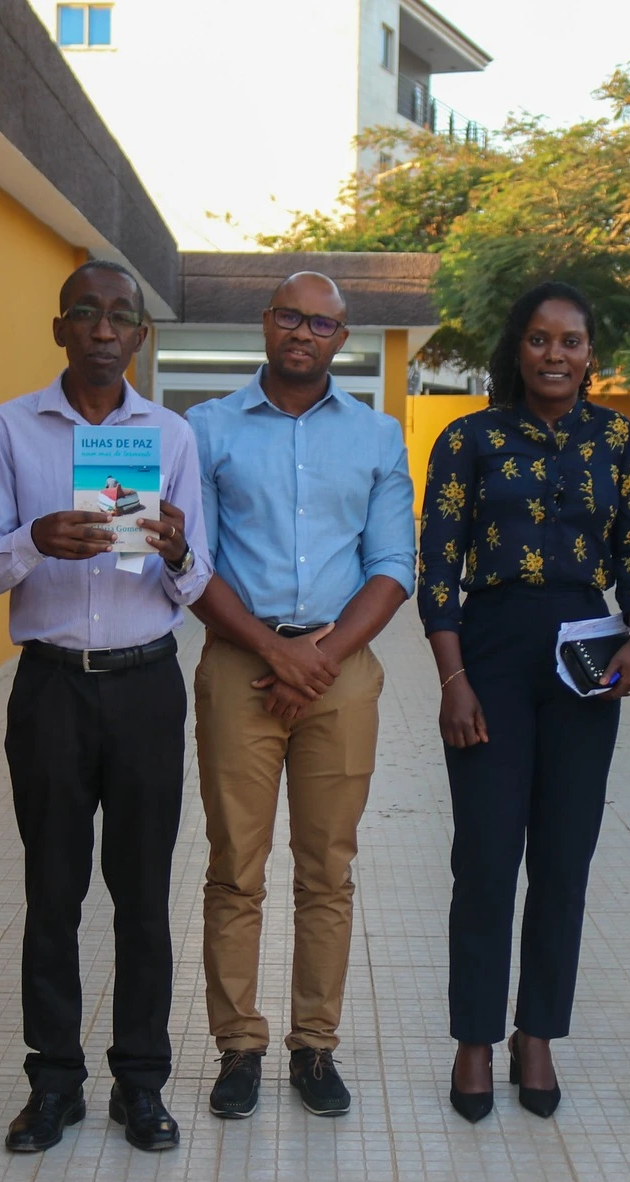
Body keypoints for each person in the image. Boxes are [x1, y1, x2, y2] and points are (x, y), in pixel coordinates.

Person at [0, 260, 208, 1153]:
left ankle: (141, 1083)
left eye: (121, 317)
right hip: (53, 687)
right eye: (86, 314)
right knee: (53, 890)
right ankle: (55, 1081)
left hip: (147, 683)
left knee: (144, 897)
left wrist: (179, 549)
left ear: (141, 336)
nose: (104, 330)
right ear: (59, 327)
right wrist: (35, 539)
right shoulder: (11, 428)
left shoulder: (171, 436)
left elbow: (199, 580)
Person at [419, 282, 630, 1122]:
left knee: (564, 857)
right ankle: (475, 1038)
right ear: (516, 349)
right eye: (540, 339)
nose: (555, 355)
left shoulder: (624, 443)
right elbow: (438, 565)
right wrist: (453, 679)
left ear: (592, 354)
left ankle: (538, 1033)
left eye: (572, 341)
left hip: (584, 657)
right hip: (488, 651)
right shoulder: (468, 440)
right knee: (484, 856)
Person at [185, 273, 415, 1120]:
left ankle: (315, 1045)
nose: (304, 333)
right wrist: (271, 651)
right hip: (239, 664)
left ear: (342, 338)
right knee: (235, 867)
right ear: (266, 322)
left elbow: (394, 565)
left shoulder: (378, 435)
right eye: (291, 316)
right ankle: (238, 1046)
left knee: (328, 869)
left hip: (339, 670)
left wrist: (315, 658)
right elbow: (191, 564)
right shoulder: (204, 428)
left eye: (322, 323)